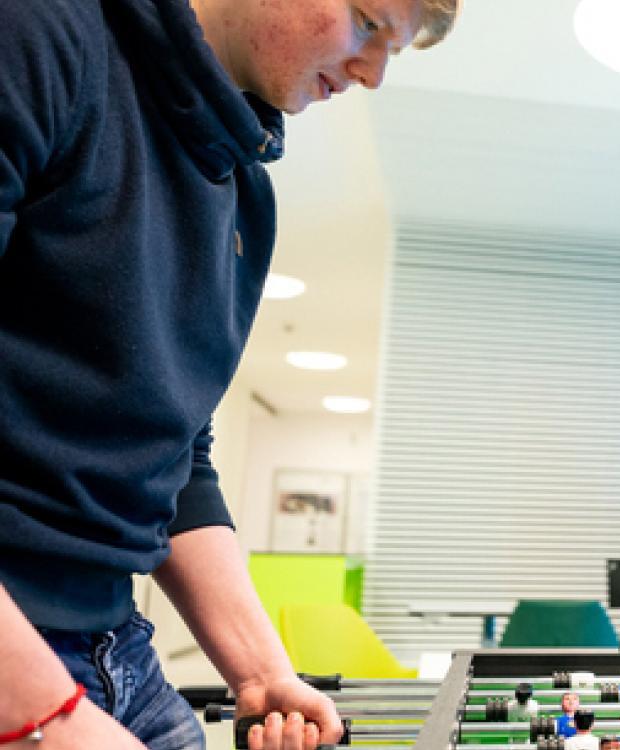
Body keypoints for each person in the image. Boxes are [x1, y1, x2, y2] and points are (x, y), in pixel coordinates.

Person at [0, 1, 457, 749]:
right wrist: (41, 715)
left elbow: (178, 455)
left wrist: (260, 672)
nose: (371, 73)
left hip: (117, 644)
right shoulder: (41, 35)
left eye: (393, 52)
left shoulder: (244, 195)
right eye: (367, 22)